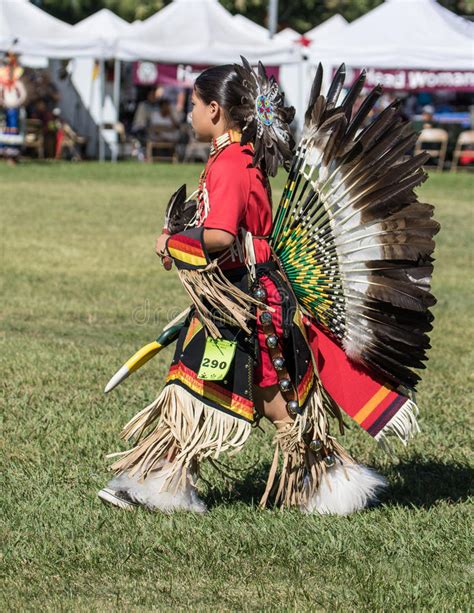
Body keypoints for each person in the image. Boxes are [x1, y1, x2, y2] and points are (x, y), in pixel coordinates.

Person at [98, 59, 438, 515]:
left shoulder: (232, 165)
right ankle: (319, 482)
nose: (189, 114)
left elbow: (218, 236)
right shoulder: (237, 160)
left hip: (246, 302)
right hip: (246, 297)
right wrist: (182, 246)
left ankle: (172, 483)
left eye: (194, 105)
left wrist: (170, 241)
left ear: (215, 110)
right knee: (231, 391)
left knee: (214, 389)